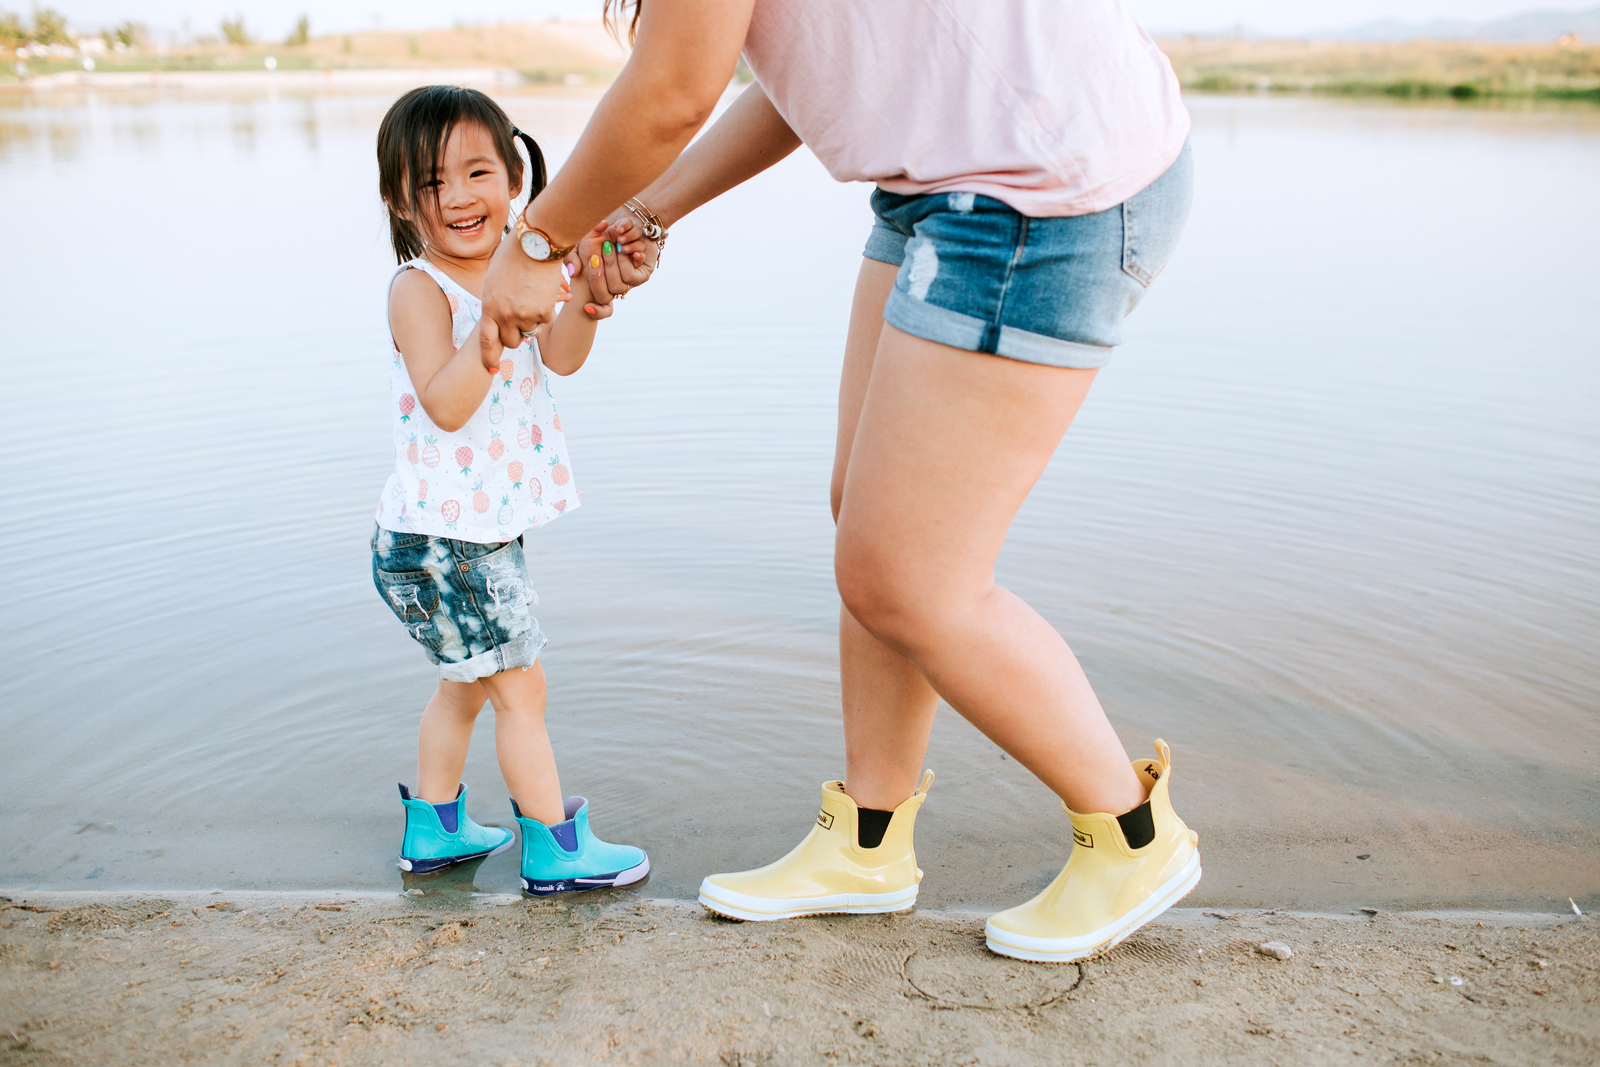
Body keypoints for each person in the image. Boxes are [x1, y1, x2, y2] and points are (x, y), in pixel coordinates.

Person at [479, 0, 1200, 962]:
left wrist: (535, 242)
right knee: (864, 522)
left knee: (910, 578)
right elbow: (795, 77)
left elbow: (674, 89)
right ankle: (868, 841)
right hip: (951, 183)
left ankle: (1131, 839)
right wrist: (646, 209)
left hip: (1039, 190)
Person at [370, 85, 648, 896]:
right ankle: (554, 846)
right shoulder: (418, 289)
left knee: (466, 683)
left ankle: (436, 828)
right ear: (399, 198)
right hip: (439, 542)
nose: (456, 196)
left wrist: (589, 296)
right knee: (522, 688)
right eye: (429, 183)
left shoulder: (524, 267)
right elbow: (448, 403)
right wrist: (490, 327)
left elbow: (559, 355)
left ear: (515, 179)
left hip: (469, 533)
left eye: (476, 172)